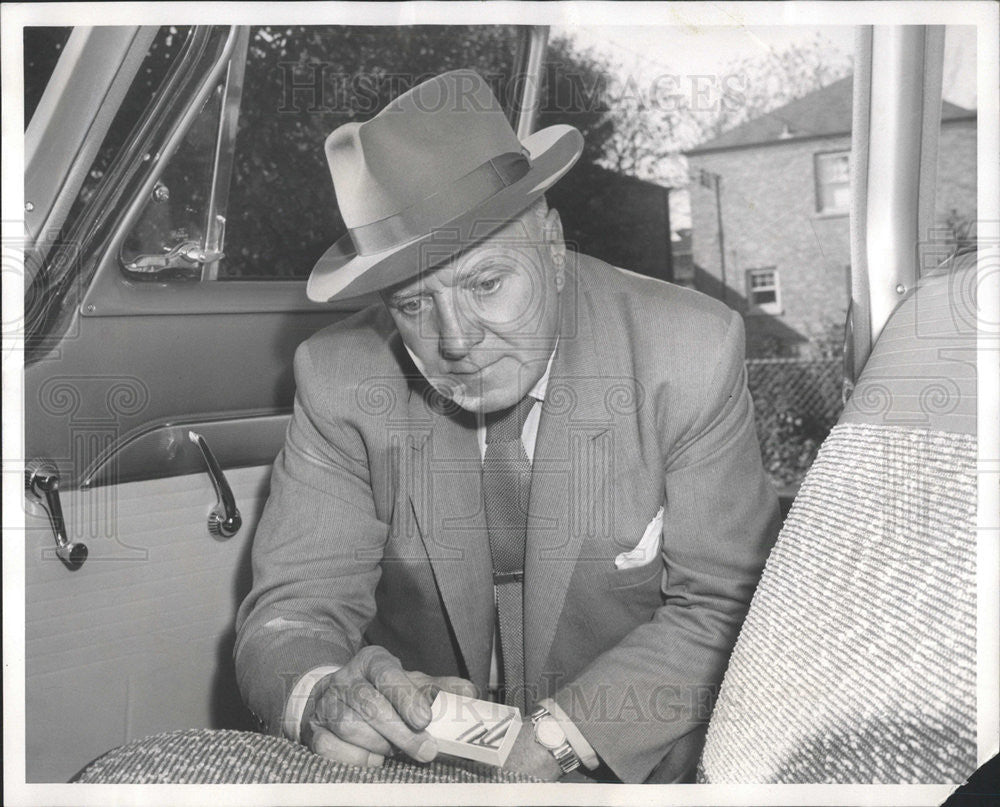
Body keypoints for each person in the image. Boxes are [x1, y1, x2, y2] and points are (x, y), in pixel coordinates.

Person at [234, 69, 781, 783]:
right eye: (413, 305)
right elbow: (290, 613)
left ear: (552, 250)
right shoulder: (338, 378)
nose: (457, 340)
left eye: (487, 284)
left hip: (628, 762)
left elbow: (729, 604)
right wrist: (321, 697)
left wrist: (561, 735)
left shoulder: (690, 352)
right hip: (418, 767)